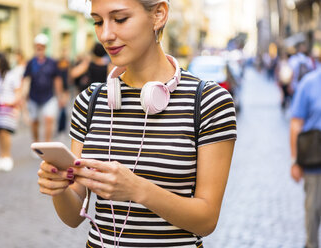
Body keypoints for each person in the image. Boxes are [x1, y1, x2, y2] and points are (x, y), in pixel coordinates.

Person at [37, 1, 237, 247]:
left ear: (158, 15)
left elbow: (206, 220)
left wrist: (137, 189)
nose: (106, 35)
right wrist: (59, 188)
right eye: (98, 22)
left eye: (119, 19)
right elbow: (73, 216)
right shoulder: (89, 101)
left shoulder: (209, 102)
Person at [290, 65, 321, 248]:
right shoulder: (309, 83)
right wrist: (295, 161)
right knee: (313, 213)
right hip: (315, 163)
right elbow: (296, 124)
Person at [23, 33, 63, 144]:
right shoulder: (31, 62)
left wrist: (59, 96)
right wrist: (23, 96)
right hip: (34, 97)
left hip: (49, 96)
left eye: (42, 46)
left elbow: (57, 79)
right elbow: (26, 79)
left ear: (45, 47)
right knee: (34, 121)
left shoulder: (52, 62)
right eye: (38, 46)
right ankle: (36, 142)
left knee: (49, 119)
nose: (39, 48)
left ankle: (47, 143)